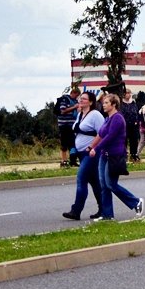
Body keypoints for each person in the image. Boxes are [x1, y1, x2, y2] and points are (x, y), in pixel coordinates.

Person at [62, 92, 105, 221]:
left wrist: (93, 148)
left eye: (84, 99)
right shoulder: (81, 114)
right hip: (81, 152)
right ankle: (103, 209)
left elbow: (102, 133)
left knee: (81, 179)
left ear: (91, 102)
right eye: (81, 98)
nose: (81, 100)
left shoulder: (95, 115)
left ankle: (76, 210)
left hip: (91, 153)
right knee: (95, 182)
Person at [55, 87, 79, 166]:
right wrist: (74, 107)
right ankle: (64, 160)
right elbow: (63, 111)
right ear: (73, 93)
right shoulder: (64, 100)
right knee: (64, 143)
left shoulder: (75, 101)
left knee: (73, 143)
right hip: (64, 125)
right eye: (76, 95)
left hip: (72, 125)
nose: (77, 97)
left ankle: (73, 160)